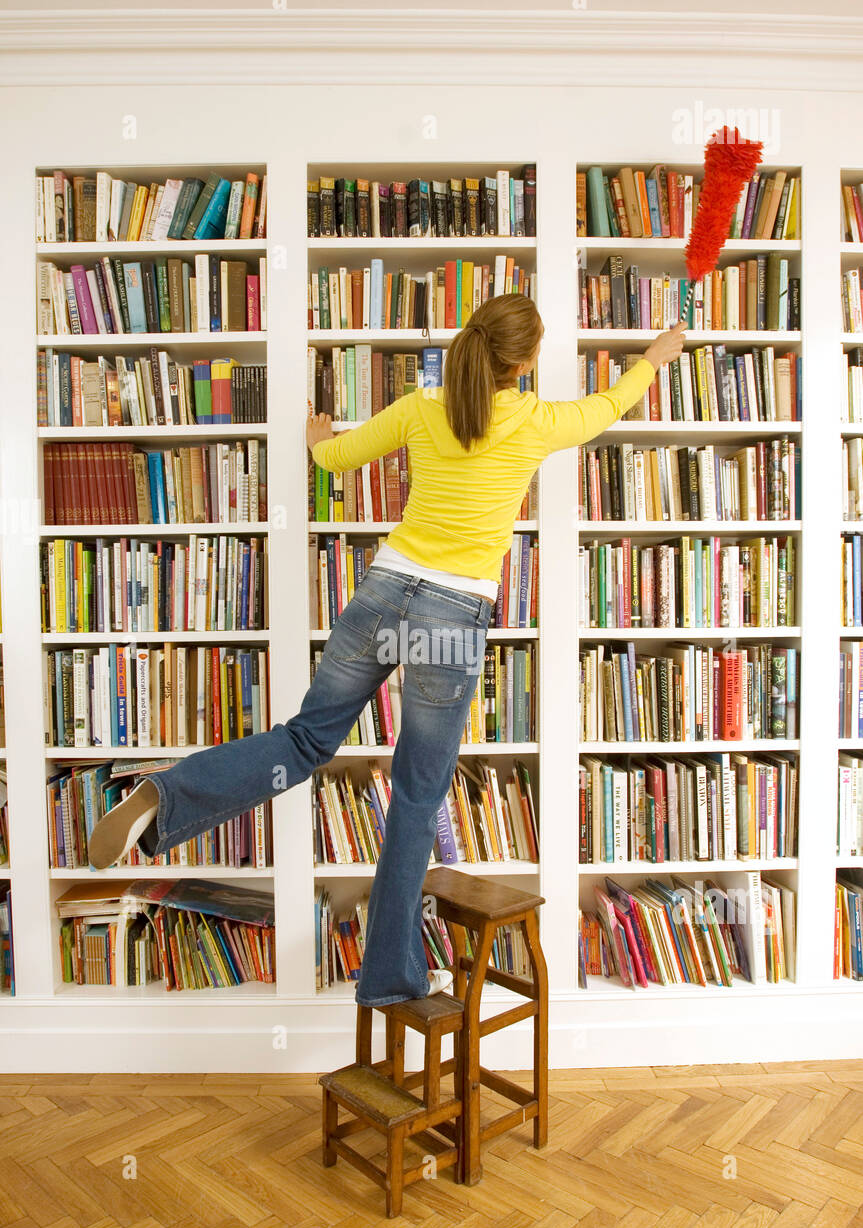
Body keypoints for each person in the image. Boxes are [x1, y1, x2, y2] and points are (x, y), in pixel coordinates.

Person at [87, 296, 685, 1006]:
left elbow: (338, 456)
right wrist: (653, 358)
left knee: (305, 740)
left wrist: (315, 436)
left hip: (383, 591)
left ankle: (167, 792)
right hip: (451, 615)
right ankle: (391, 981)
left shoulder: (420, 406)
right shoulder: (537, 421)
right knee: (415, 794)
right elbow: (608, 405)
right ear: (522, 364)